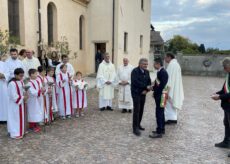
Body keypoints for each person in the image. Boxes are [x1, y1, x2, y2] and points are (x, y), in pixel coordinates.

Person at [211, 57, 230, 157]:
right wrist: (217, 93)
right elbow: (224, 90)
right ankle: (226, 142)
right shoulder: (228, 76)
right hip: (227, 105)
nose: (224, 69)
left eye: (225, 67)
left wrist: (219, 97)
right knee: (226, 123)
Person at [131, 58, 151, 136]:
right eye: (144, 64)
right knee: (137, 110)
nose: (145, 66)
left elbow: (149, 81)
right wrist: (145, 87)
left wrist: (147, 90)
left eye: (146, 64)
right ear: (140, 64)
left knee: (141, 109)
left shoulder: (147, 72)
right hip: (136, 93)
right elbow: (136, 82)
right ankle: (135, 128)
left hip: (144, 93)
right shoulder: (135, 71)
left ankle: (138, 124)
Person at [149, 58, 168, 139]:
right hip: (162, 94)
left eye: (154, 64)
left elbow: (161, 86)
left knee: (159, 113)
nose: (153, 65)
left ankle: (159, 131)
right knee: (161, 112)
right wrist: (153, 88)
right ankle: (162, 129)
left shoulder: (162, 72)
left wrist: (154, 91)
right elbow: (157, 83)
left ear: (158, 64)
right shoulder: (160, 71)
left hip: (161, 95)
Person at [7, 68, 28, 139]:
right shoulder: (12, 84)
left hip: (20, 103)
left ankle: (21, 131)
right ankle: (15, 133)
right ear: (15, 75)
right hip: (14, 104)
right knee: (15, 118)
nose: (21, 77)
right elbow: (13, 96)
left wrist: (25, 93)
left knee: (19, 118)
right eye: (20, 76)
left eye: (22, 76)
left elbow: (22, 91)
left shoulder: (21, 82)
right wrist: (22, 97)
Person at [164, 52, 184, 124]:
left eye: (165, 57)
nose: (164, 59)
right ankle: (173, 118)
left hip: (170, 88)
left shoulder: (172, 65)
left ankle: (171, 119)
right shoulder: (176, 64)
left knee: (168, 104)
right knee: (172, 104)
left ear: (169, 57)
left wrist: (166, 90)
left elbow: (168, 78)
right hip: (174, 88)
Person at [0, 57, 9, 123]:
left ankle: (3, 119)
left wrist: (2, 75)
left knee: (3, 102)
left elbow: (7, 74)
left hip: (2, 86)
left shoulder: (4, 64)